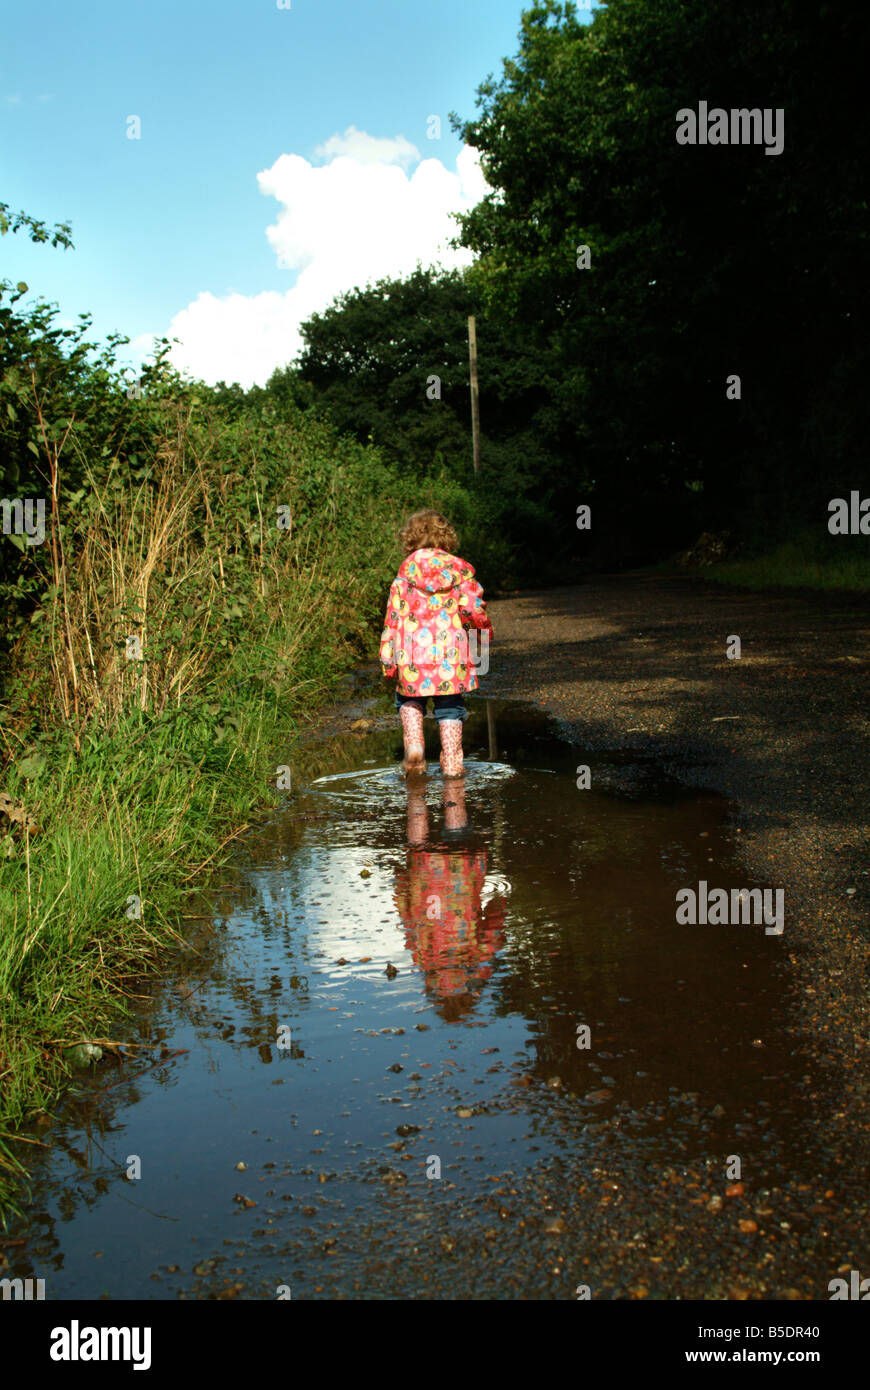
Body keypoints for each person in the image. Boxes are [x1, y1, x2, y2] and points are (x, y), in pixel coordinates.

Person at [379, 509, 492, 778]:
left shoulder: (404, 575)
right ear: (446, 537)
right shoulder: (460, 573)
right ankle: (452, 762)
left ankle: (416, 747)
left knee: (408, 699)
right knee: (450, 705)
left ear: (411, 538)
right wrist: (481, 631)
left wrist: (387, 658)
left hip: (411, 653)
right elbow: (472, 611)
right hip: (449, 656)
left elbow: (392, 619)